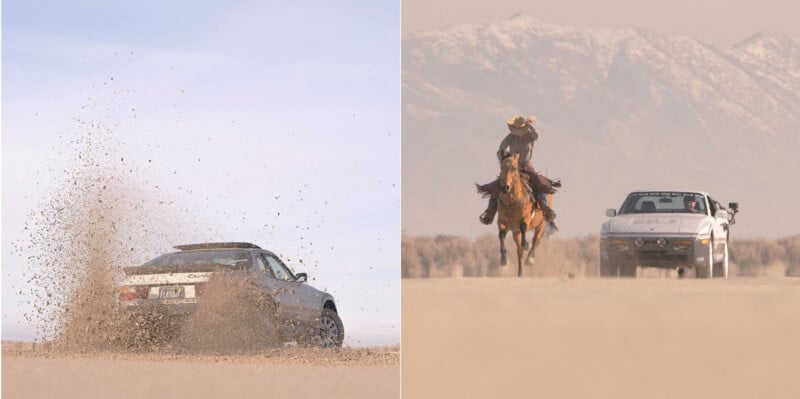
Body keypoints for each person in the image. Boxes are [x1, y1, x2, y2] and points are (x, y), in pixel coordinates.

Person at [479, 115, 558, 225]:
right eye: (516, 130)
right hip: (512, 166)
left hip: (527, 165)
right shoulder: (510, 137)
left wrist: (529, 125)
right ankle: (490, 212)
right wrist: (505, 159)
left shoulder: (530, 136)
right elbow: (501, 149)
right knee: (497, 186)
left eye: (520, 129)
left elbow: (537, 136)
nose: (518, 132)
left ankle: (545, 208)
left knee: (539, 183)